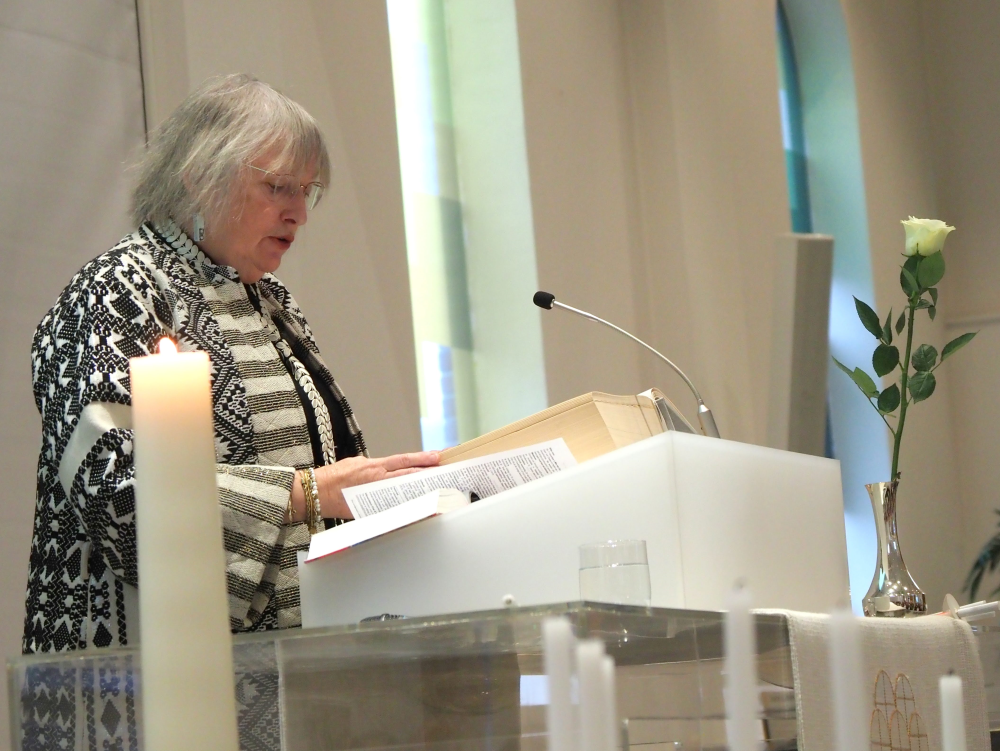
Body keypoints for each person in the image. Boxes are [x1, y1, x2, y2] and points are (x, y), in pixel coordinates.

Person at [23, 73, 439, 654]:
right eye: (279, 187)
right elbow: (117, 496)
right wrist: (304, 493)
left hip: (294, 669)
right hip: (139, 675)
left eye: (308, 191)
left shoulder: (271, 301)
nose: (299, 213)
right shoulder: (114, 291)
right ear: (199, 176)